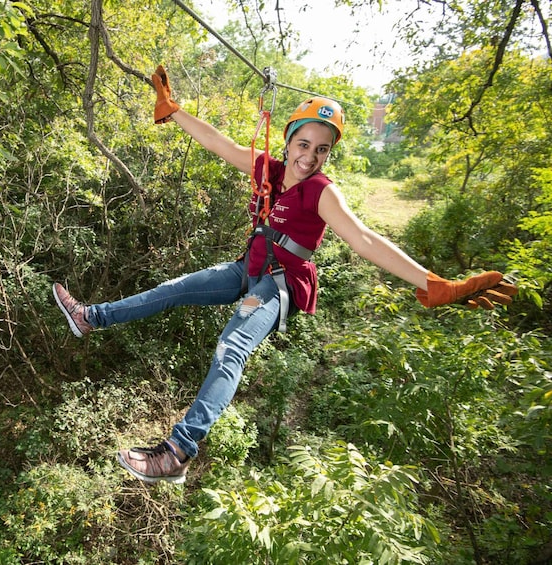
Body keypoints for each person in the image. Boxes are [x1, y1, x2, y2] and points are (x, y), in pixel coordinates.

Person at [52, 65, 517, 484]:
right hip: (248, 268)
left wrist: (432, 283)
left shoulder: (322, 192)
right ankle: (92, 317)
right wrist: (172, 111)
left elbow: (365, 240)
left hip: (278, 287)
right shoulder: (269, 170)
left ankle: (178, 451)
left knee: (231, 347)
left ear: (328, 154)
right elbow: (220, 143)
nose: (310, 157)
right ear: (289, 140)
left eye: (322, 149)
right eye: (303, 144)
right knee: (175, 289)